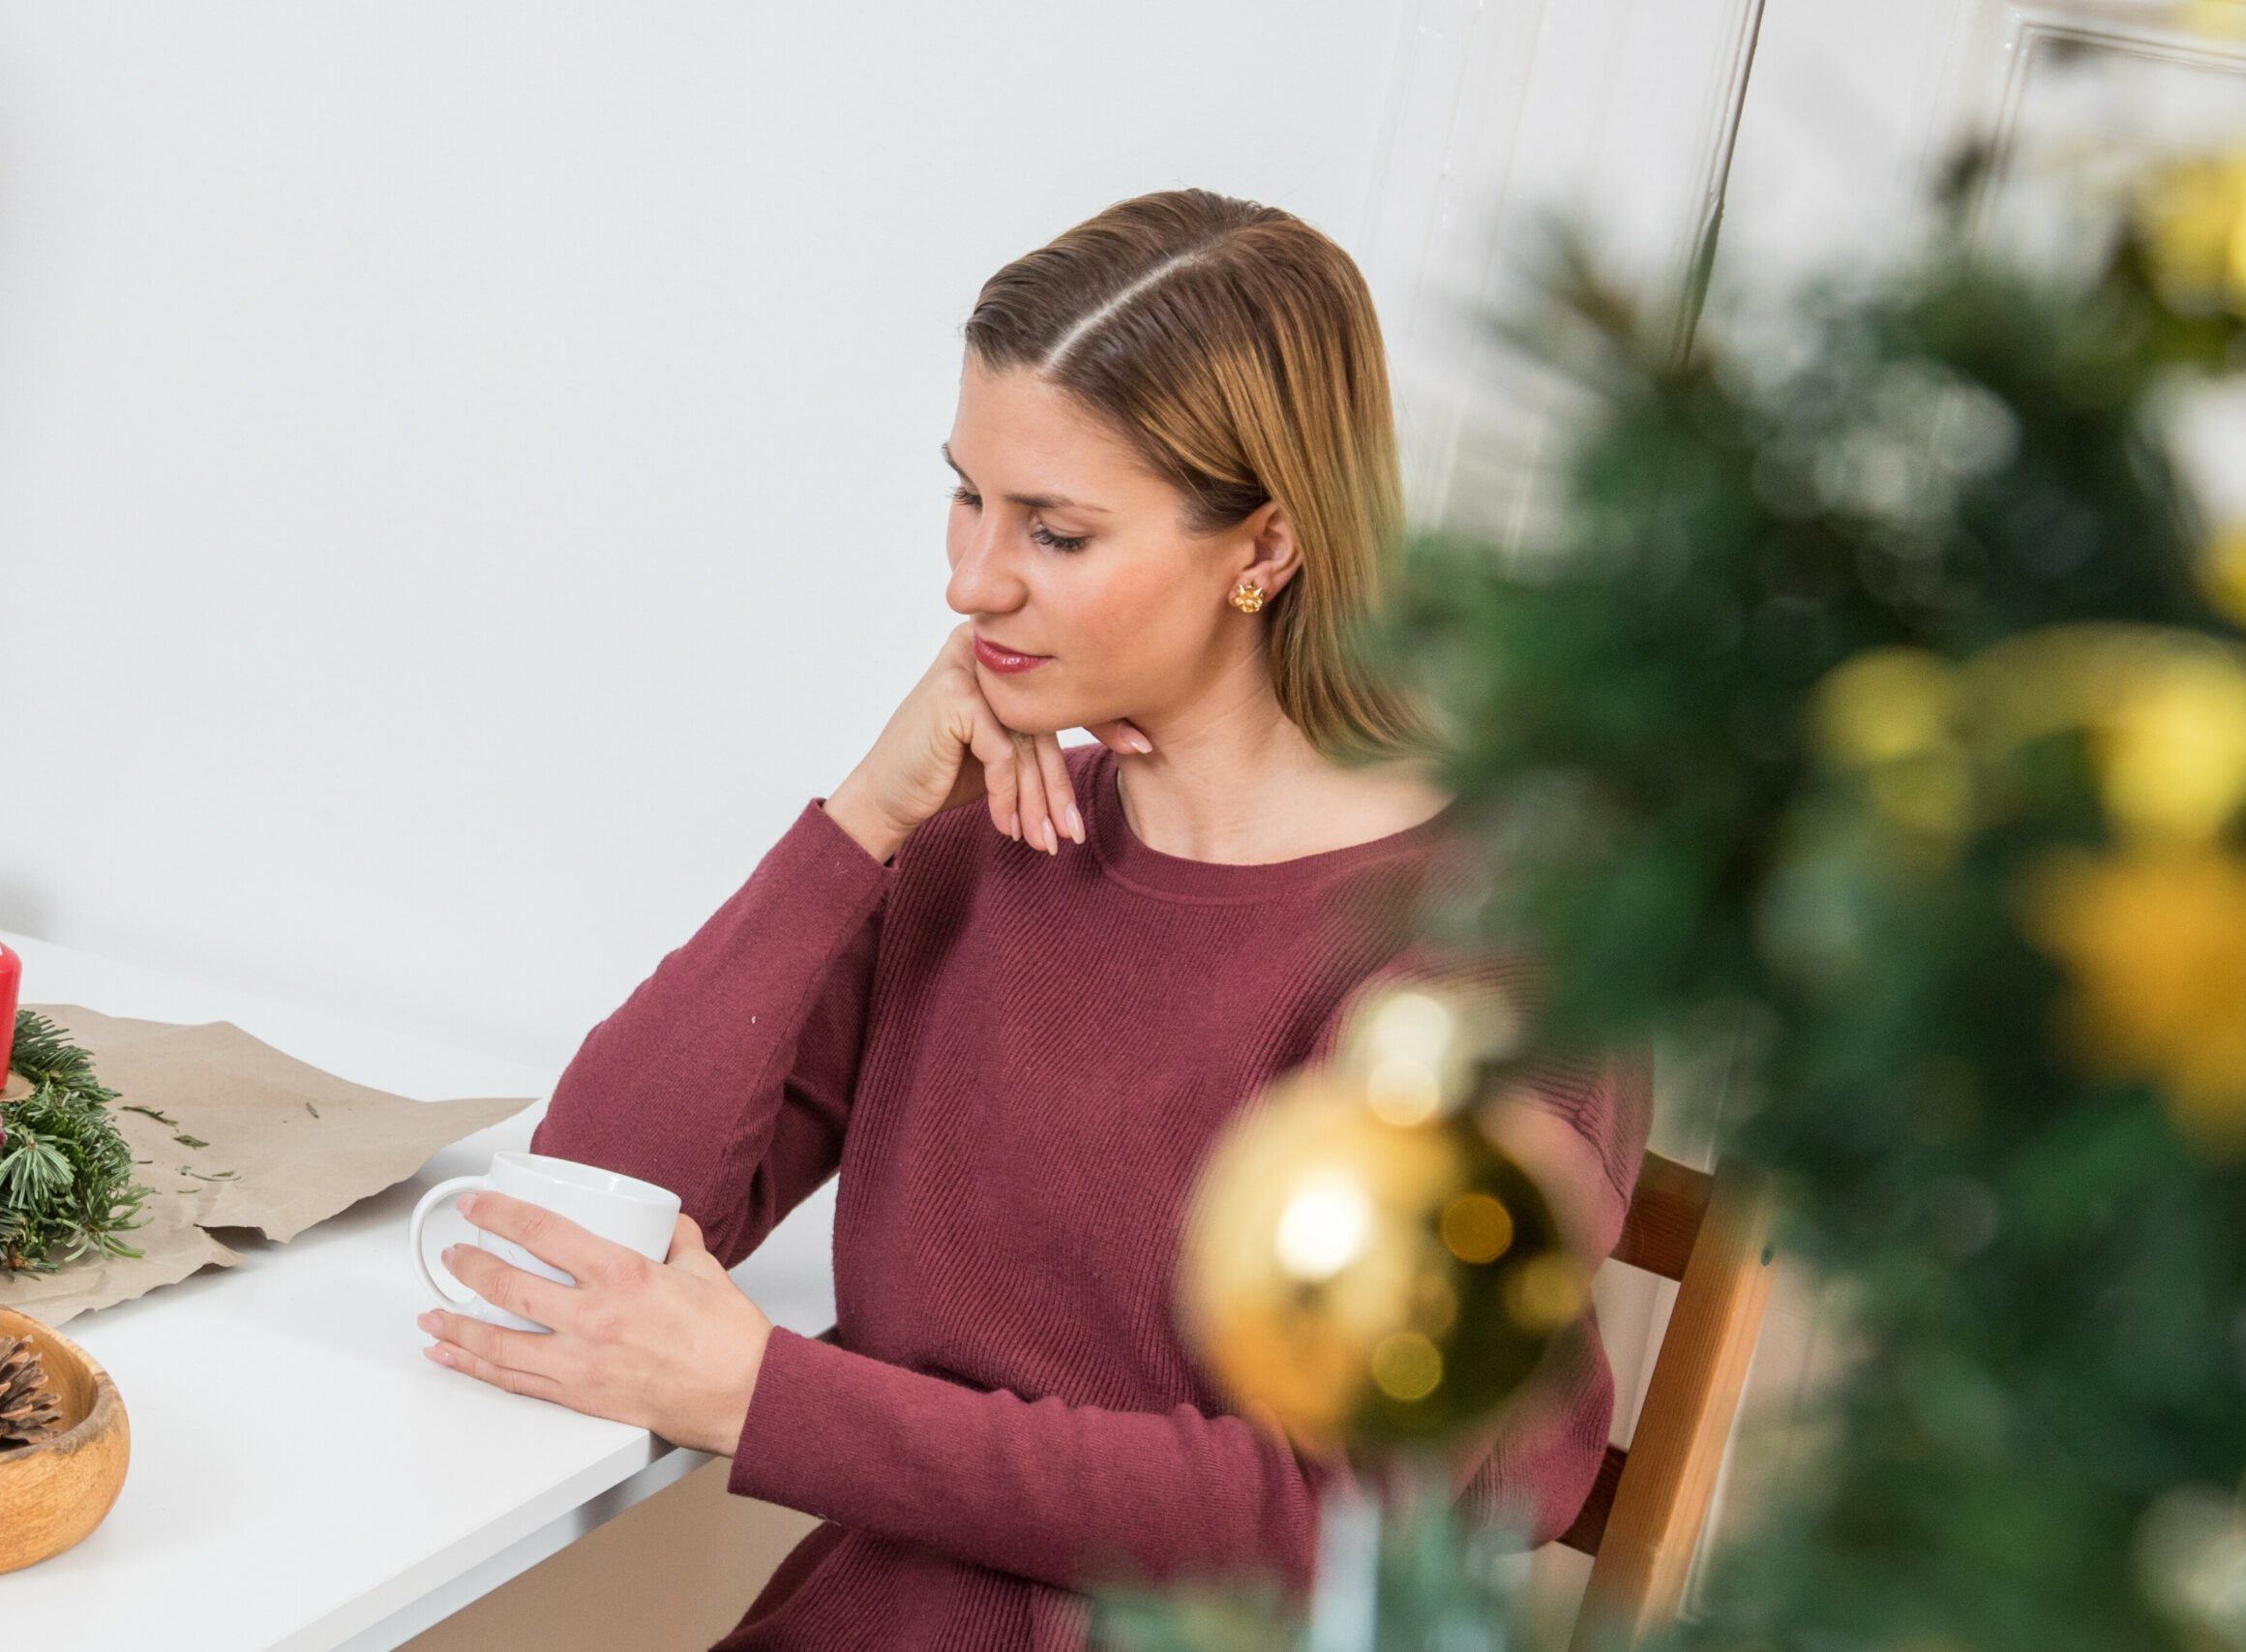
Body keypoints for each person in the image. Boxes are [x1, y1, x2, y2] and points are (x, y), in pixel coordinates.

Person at [415, 188, 1648, 1649]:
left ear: (1266, 545)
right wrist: (864, 819)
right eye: (967, 494)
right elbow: (586, 1225)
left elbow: (1350, 1521)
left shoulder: (1490, 951)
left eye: (1055, 532)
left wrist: (768, 1401)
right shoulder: (982, 840)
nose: (967, 581)